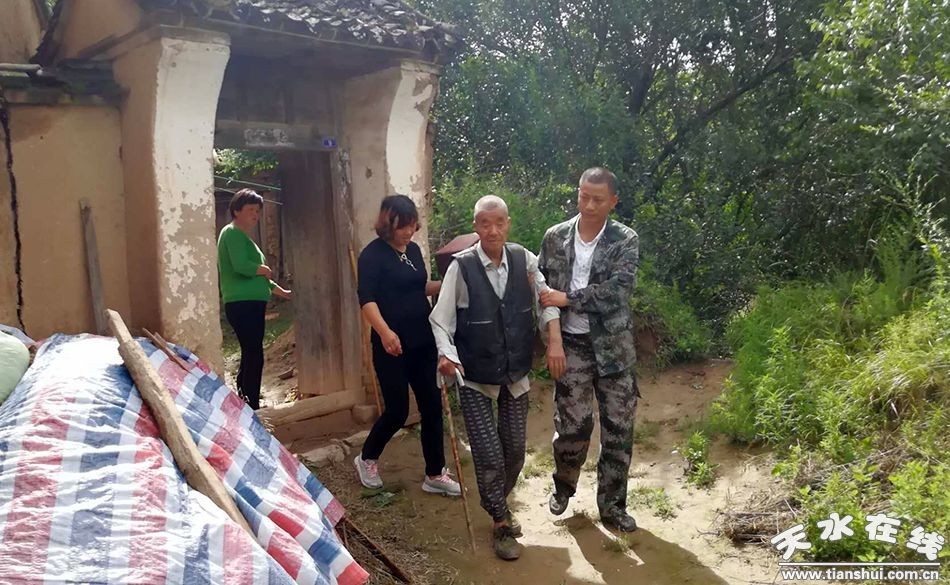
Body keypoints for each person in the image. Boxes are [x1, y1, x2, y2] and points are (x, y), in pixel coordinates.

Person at [430, 195, 566, 561]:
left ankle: (497, 501)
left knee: (515, 451)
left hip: (515, 371)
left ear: (508, 224)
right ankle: (501, 522)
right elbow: (441, 320)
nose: (492, 230)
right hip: (475, 375)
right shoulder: (461, 267)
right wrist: (446, 354)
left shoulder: (525, 260)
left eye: (499, 223)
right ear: (475, 226)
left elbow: (546, 300)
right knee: (489, 454)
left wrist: (554, 341)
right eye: (485, 224)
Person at [538, 167, 641, 533]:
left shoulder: (624, 239)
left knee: (618, 431)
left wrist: (569, 298)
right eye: (584, 196)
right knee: (573, 426)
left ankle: (612, 506)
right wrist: (553, 339)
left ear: (613, 201)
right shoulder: (555, 237)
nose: (590, 205)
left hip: (614, 351)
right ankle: (563, 486)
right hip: (571, 345)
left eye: (598, 199)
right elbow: (542, 292)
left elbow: (618, 291)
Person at [354, 195, 461, 497]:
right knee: (397, 410)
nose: (409, 232)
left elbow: (419, 287)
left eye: (412, 225)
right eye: (403, 226)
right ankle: (367, 458)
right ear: (388, 224)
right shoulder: (372, 255)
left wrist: (449, 283)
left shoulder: (413, 250)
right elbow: (367, 299)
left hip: (422, 340)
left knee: (432, 406)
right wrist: (385, 332)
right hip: (392, 345)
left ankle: (435, 473)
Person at [217, 189, 292, 411]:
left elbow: (262, 279)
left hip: (249, 303)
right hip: (243, 304)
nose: (256, 215)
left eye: (258, 211)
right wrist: (262, 268)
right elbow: (241, 266)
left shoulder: (242, 237)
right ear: (236, 211)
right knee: (254, 354)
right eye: (250, 210)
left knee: (251, 352)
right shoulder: (232, 233)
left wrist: (283, 292)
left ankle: (245, 401)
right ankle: (252, 404)